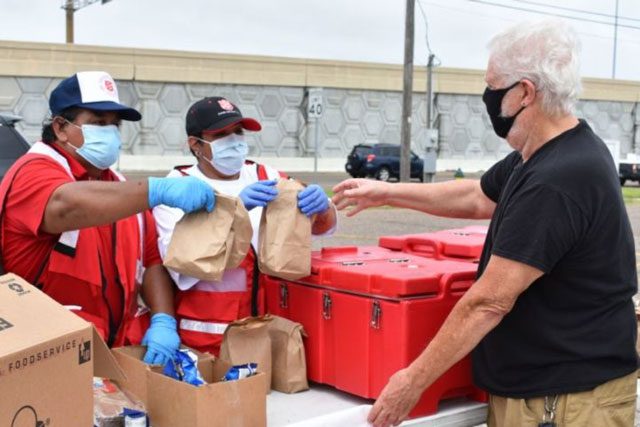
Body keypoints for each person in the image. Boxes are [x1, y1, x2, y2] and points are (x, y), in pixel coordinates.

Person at [332, 20, 638, 427]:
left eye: (494, 87)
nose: (487, 98)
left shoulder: (559, 177)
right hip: (543, 392)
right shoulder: (542, 152)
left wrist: (412, 382)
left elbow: (488, 301)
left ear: (525, 92)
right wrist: (384, 192)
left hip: (564, 402)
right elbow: (478, 196)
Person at [0, 71, 216, 366]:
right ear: (61, 127)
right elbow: (64, 205)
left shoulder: (120, 186)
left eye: (115, 124)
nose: (110, 133)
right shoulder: (33, 172)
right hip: (47, 359)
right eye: (99, 123)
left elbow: (151, 262)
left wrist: (163, 319)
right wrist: (156, 189)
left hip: (115, 354)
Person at [153, 96, 337, 355]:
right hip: (206, 341)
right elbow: (180, 266)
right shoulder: (177, 189)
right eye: (222, 135)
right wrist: (232, 213)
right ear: (196, 145)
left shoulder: (265, 176)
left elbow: (320, 228)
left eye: (238, 132)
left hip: (264, 334)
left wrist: (323, 208)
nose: (234, 141)